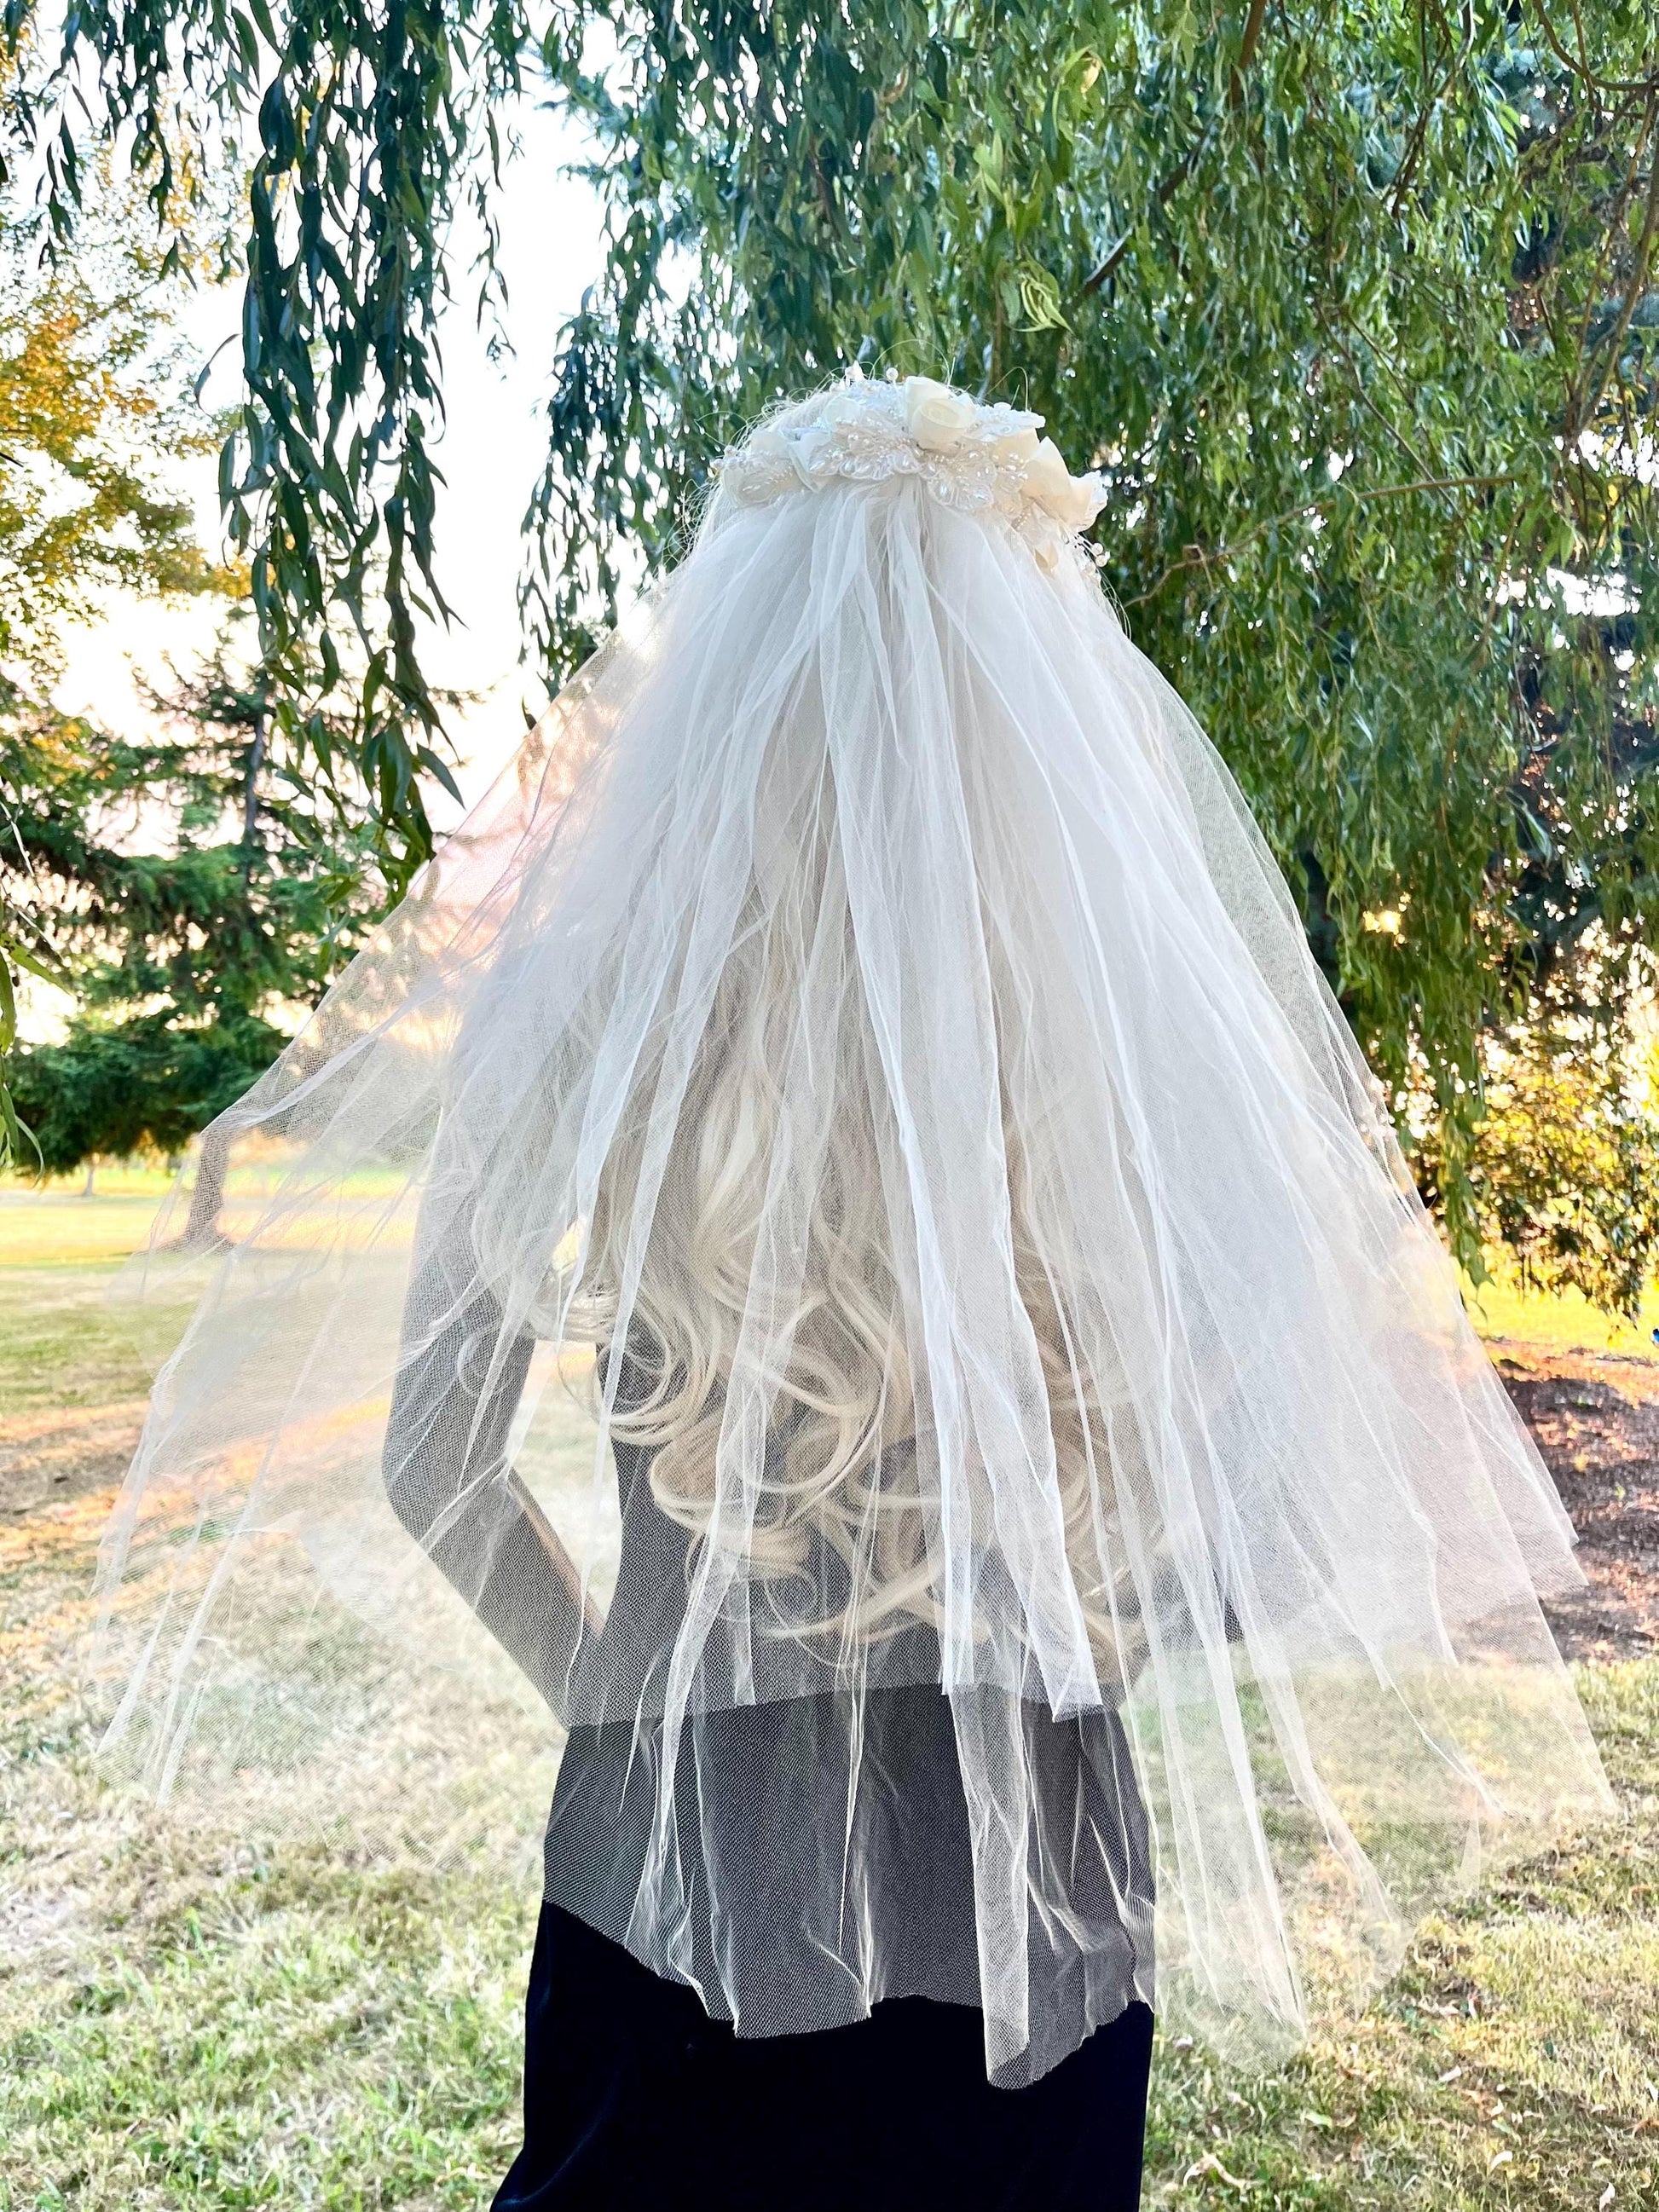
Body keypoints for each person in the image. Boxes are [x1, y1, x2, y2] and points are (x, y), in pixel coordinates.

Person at [95, 372, 1612, 2209]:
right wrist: (1068, 1629)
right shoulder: (1118, 1053)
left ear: (723, 699)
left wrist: (639, 1702)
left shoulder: (587, 1024)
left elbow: (435, 1465)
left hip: (677, 1884)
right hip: (1038, 1918)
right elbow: (1273, 1494)